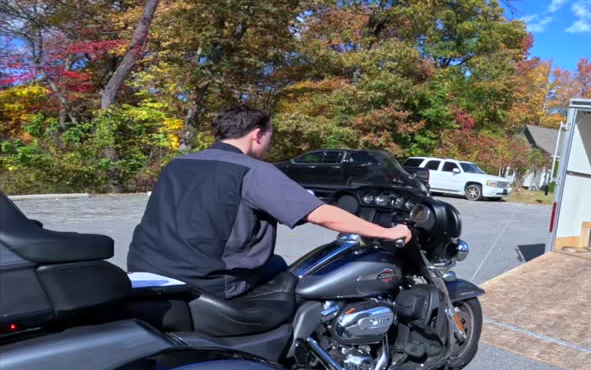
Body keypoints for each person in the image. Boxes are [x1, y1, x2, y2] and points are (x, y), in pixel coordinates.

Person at [127, 106, 413, 300]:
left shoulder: (178, 164)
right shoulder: (252, 170)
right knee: (293, 273)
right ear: (257, 134)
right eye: (269, 138)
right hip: (209, 281)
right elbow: (321, 214)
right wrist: (387, 232)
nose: (269, 146)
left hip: (147, 268)